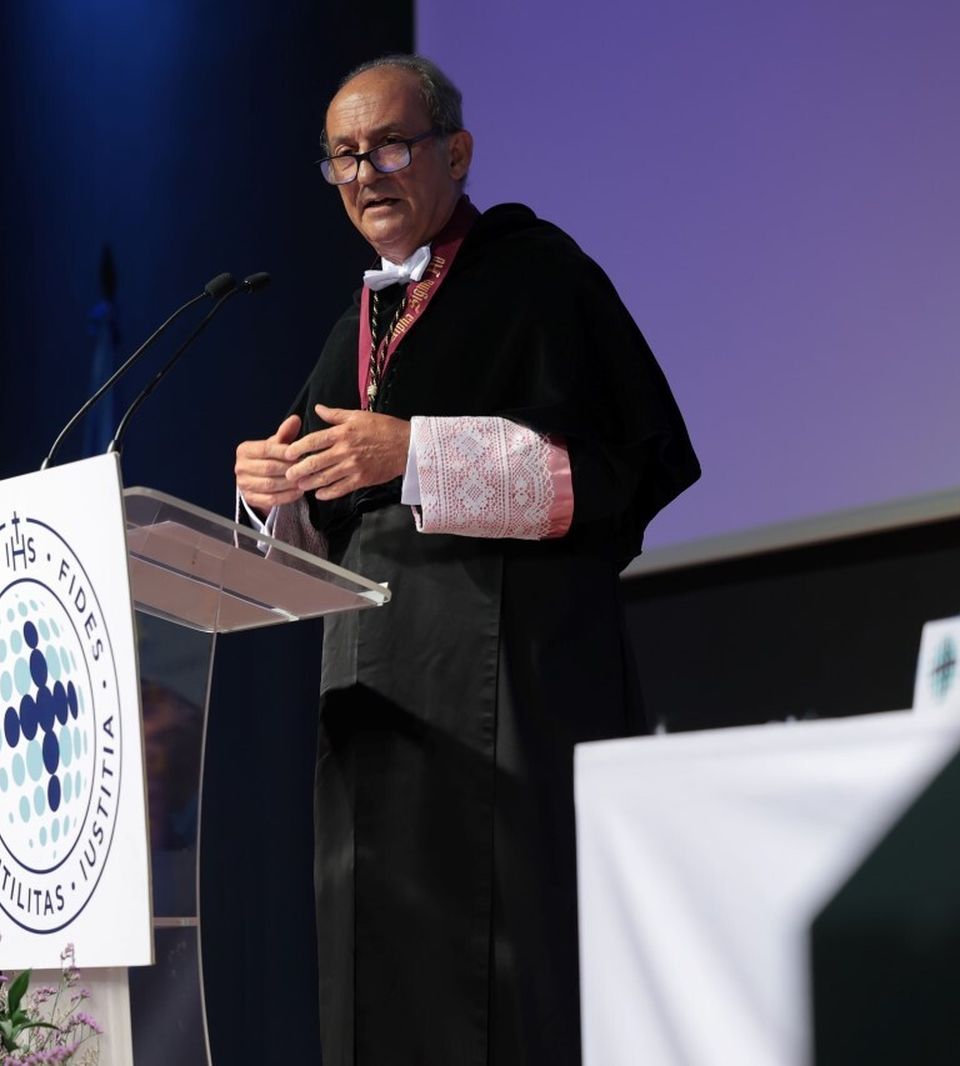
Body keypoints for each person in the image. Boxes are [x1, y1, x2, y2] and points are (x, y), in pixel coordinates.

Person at [233, 55, 699, 1066]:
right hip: (373, 694)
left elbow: (612, 471)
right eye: (343, 158)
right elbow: (323, 533)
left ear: (456, 151)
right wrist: (276, 493)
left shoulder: (537, 276)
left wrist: (412, 452)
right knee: (375, 973)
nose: (366, 176)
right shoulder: (353, 322)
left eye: (390, 147)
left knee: (508, 979)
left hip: (506, 684)